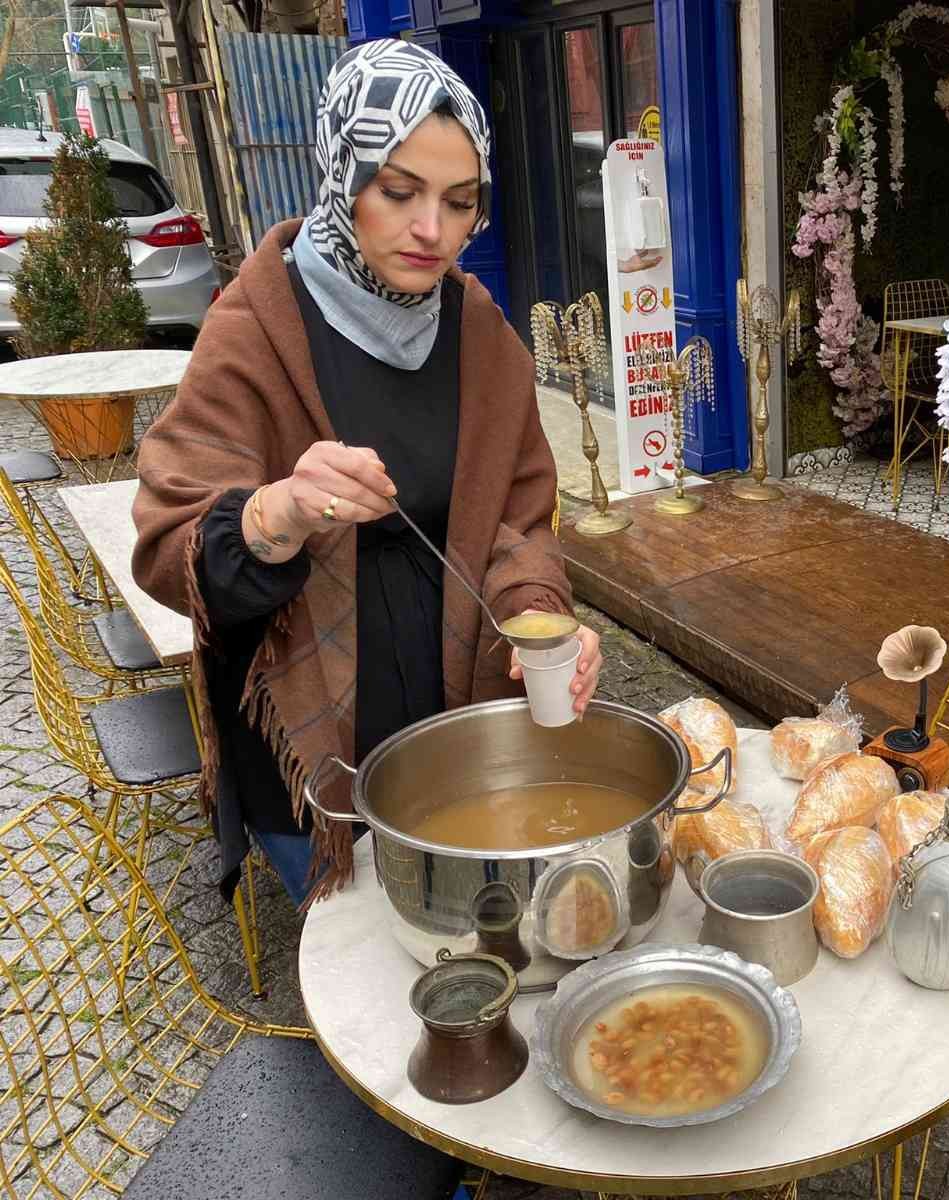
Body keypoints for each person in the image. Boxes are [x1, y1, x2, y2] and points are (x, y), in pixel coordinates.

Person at [133, 39, 600, 906]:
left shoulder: (479, 336)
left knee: (478, 953)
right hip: (309, 758)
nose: (434, 231)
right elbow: (169, 547)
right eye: (398, 192)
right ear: (343, 175)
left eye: (460, 203)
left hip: (464, 732)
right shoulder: (256, 329)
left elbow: (520, 524)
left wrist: (541, 619)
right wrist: (279, 512)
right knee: (369, 990)